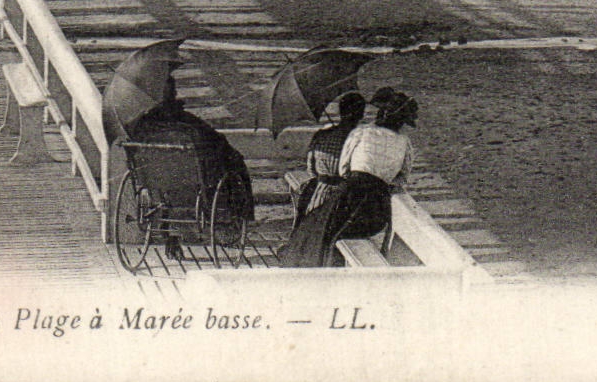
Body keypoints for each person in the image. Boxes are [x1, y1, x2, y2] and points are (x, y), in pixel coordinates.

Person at [278, 91, 418, 267]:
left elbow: (344, 168)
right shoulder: (405, 143)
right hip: (376, 203)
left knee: (320, 225)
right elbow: (403, 177)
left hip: (350, 190)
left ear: (380, 114)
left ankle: (308, 263)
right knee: (344, 230)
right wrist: (384, 180)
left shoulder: (362, 132)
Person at [128, 79, 255, 258]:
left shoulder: (140, 126)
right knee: (235, 163)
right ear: (173, 94)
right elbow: (217, 142)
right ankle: (236, 217)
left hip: (158, 182)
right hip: (196, 180)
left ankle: (171, 233)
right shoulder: (187, 123)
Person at [290, 93, 367, 230]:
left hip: (317, 199)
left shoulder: (322, 135)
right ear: (361, 115)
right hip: (344, 205)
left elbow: (311, 169)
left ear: (340, 112)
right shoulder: (361, 140)